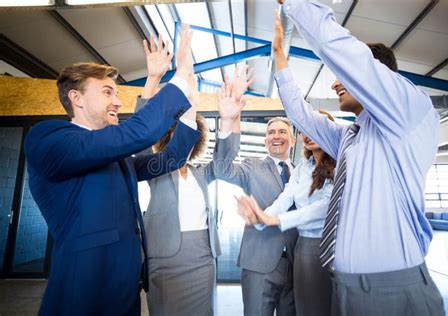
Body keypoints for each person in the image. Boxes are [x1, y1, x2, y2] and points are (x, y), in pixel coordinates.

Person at [274, 1, 444, 315]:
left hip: (390, 288)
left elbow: (341, 50)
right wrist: (280, 62)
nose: (336, 82)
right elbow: (301, 115)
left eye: (344, 74)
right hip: (346, 286)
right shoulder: (352, 136)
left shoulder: (409, 111)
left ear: (374, 77)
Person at [24, 25, 200, 315]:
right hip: (84, 293)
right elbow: (135, 134)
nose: (117, 101)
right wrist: (178, 77)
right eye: (108, 92)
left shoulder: (117, 157)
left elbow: (170, 160)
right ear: (76, 98)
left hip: (127, 290)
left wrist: (183, 95)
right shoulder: (48, 139)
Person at [136, 60, 253, 315]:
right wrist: (151, 81)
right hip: (164, 256)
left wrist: (228, 120)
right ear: (169, 138)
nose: (186, 143)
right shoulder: (156, 169)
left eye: (191, 138)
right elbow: (139, 138)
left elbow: (224, 158)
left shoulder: (202, 173)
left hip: (202, 258)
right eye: (180, 137)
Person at [213, 68, 298, 316]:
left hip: (295, 265)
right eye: (271, 132)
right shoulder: (252, 167)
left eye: (282, 132)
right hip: (259, 263)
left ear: (292, 139)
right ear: (265, 140)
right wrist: (228, 121)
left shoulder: (303, 173)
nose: (276, 136)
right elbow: (222, 170)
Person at [237, 111, 336, 316]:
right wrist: (260, 219)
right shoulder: (301, 169)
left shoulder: (342, 164)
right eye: (304, 129)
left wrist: (274, 219)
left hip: (329, 248)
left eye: (314, 127)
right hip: (301, 251)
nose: (308, 134)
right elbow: (284, 199)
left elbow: (325, 207)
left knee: (323, 308)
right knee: (305, 308)